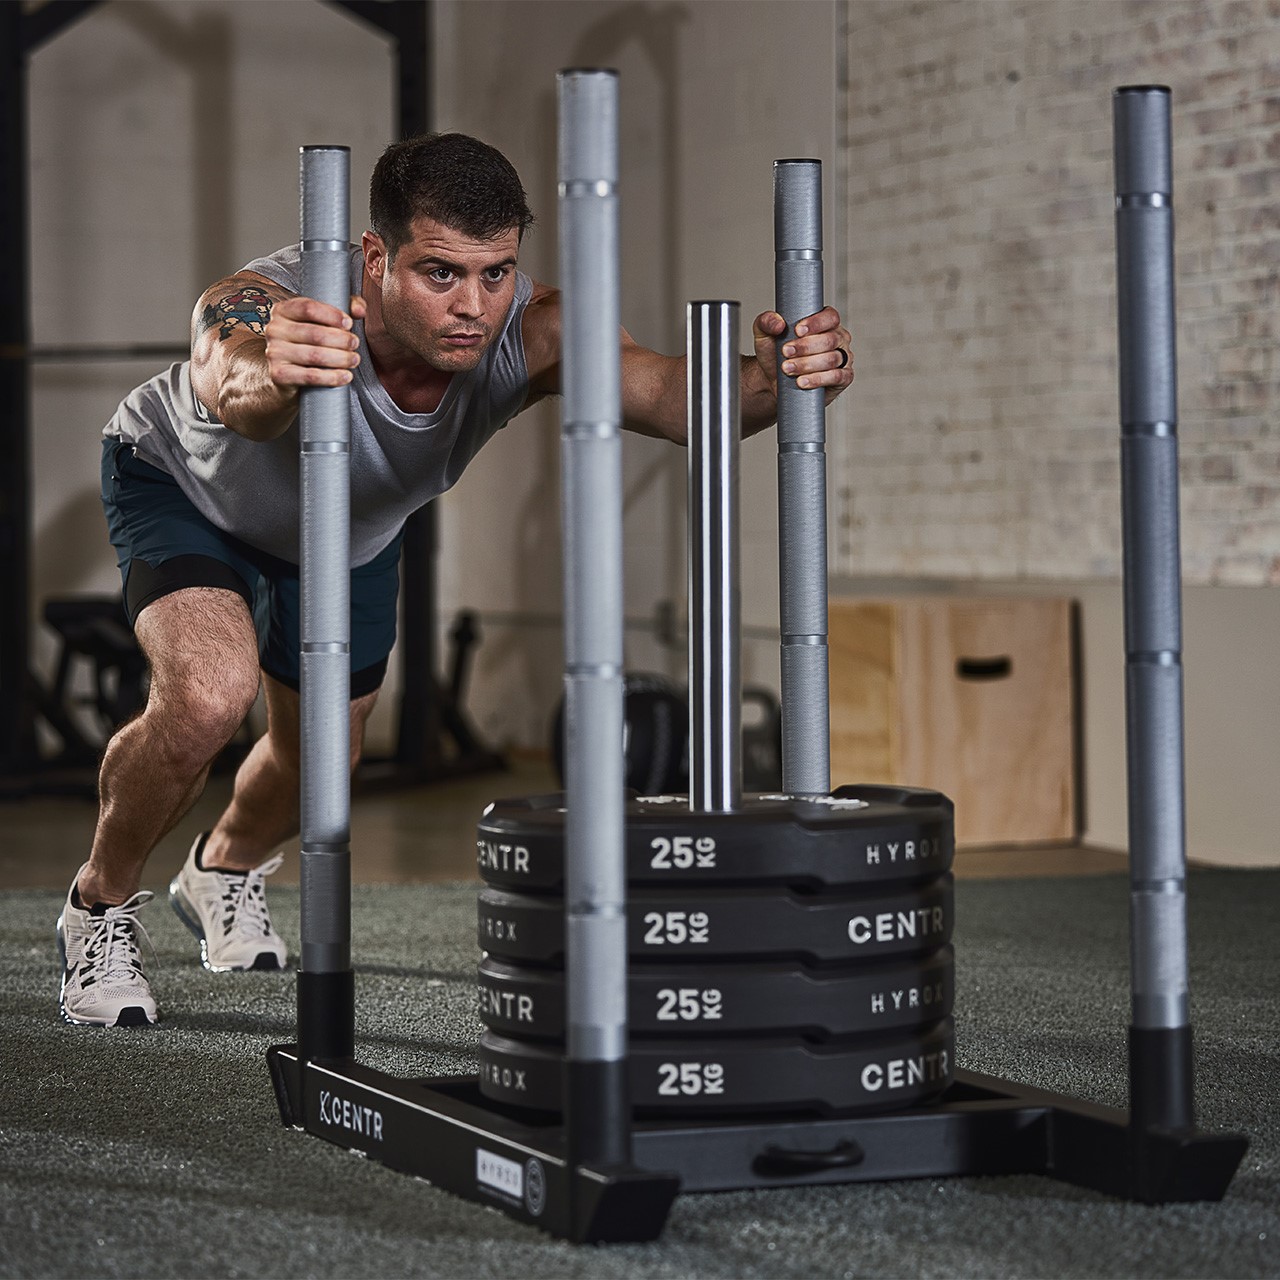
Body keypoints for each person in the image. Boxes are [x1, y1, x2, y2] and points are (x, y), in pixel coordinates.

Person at [57, 132, 854, 1027]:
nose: (472, 305)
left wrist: (781, 381)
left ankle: (222, 870)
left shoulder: (536, 328)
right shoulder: (274, 299)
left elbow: (676, 399)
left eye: (494, 272)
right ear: (376, 258)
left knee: (324, 761)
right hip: (188, 488)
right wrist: (277, 368)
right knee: (210, 696)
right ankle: (98, 904)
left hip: (346, 530)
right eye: (439, 273)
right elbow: (230, 381)